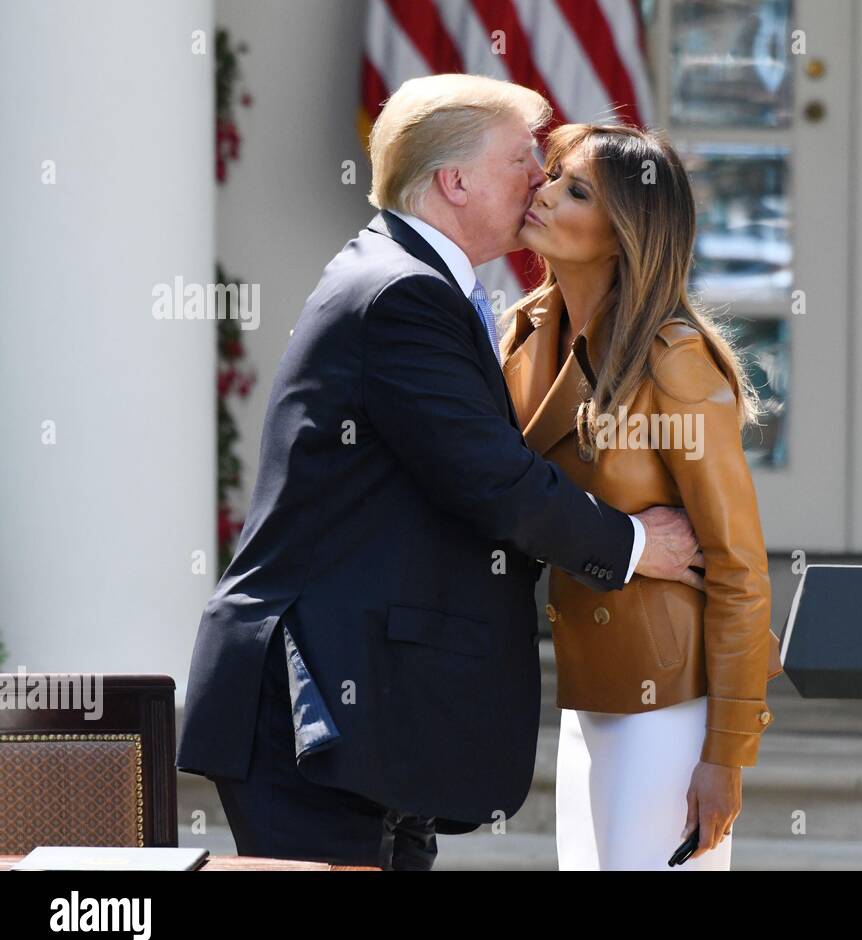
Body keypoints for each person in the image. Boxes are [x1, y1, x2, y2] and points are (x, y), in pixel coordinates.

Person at [177, 75, 704, 870]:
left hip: (375, 711)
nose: (541, 174)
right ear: (454, 181)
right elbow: (493, 480)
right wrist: (634, 544)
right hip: (318, 703)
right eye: (523, 158)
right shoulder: (401, 295)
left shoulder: (414, 281)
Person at [500, 123, 778, 870]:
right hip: (585, 692)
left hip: (670, 705)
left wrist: (727, 752)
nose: (545, 189)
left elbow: (741, 570)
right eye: (553, 174)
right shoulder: (524, 336)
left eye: (575, 189)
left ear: (625, 232)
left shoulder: (675, 360)